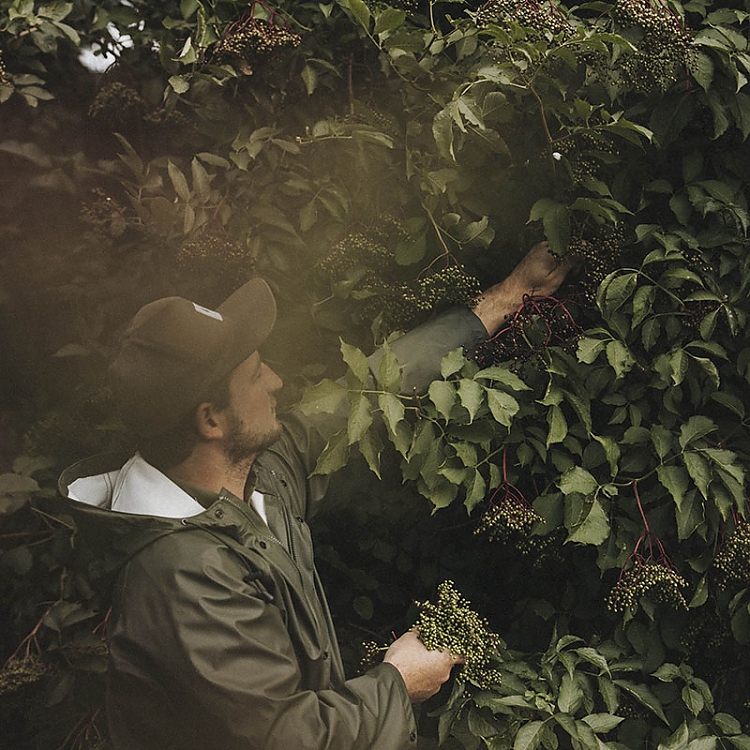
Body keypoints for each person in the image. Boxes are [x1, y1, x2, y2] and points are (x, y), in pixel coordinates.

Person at [58, 242, 572, 750]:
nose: (278, 381)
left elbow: (364, 399)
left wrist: (504, 299)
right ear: (211, 419)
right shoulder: (179, 578)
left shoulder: (255, 474)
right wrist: (397, 684)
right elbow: (281, 738)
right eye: (257, 374)